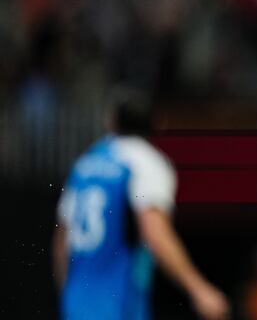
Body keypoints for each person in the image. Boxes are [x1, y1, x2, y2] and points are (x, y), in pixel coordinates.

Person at [51, 89, 230, 320]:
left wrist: (69, 296)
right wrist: (198, 288)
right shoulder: (145, 162)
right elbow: (154, 231)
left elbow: (61, 243)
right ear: (157, 123)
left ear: (112, 121)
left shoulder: (84, 165)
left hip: (75, 306)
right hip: (118, 304)